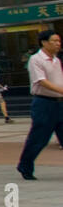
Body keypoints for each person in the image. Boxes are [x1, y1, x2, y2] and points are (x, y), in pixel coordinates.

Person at [15, 31, 63, 181]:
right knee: (39, 139)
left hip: (59, 103)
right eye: (54, 41)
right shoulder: (35, 60)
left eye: (59, 41)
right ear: (44, 42)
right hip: (44, 104)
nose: (58, 43)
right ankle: (25, 166)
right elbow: (41, 81)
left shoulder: (56, 60)